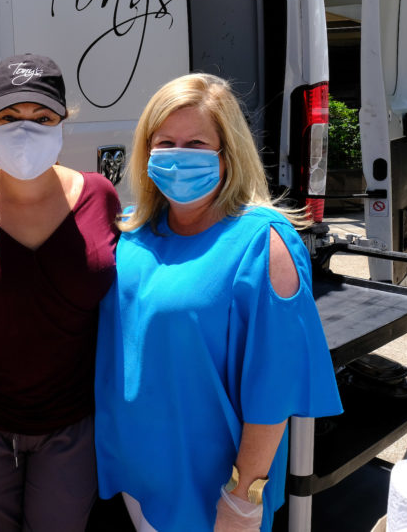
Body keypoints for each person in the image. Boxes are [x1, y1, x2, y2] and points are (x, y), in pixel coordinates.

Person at [94, 74, 343, 532]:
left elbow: (274, 389)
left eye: (196, 143)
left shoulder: (263, 243)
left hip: (210, 494)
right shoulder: (132, 232)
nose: (177, 155)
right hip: (137, 478)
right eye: (164, 142)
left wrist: (245, 496)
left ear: (228, 154)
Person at [0, 54, 120, 532]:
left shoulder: (100, 197)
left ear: (62, 124)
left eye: (42, 118)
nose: (25, 131)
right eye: (9, 118)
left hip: (73, 427)